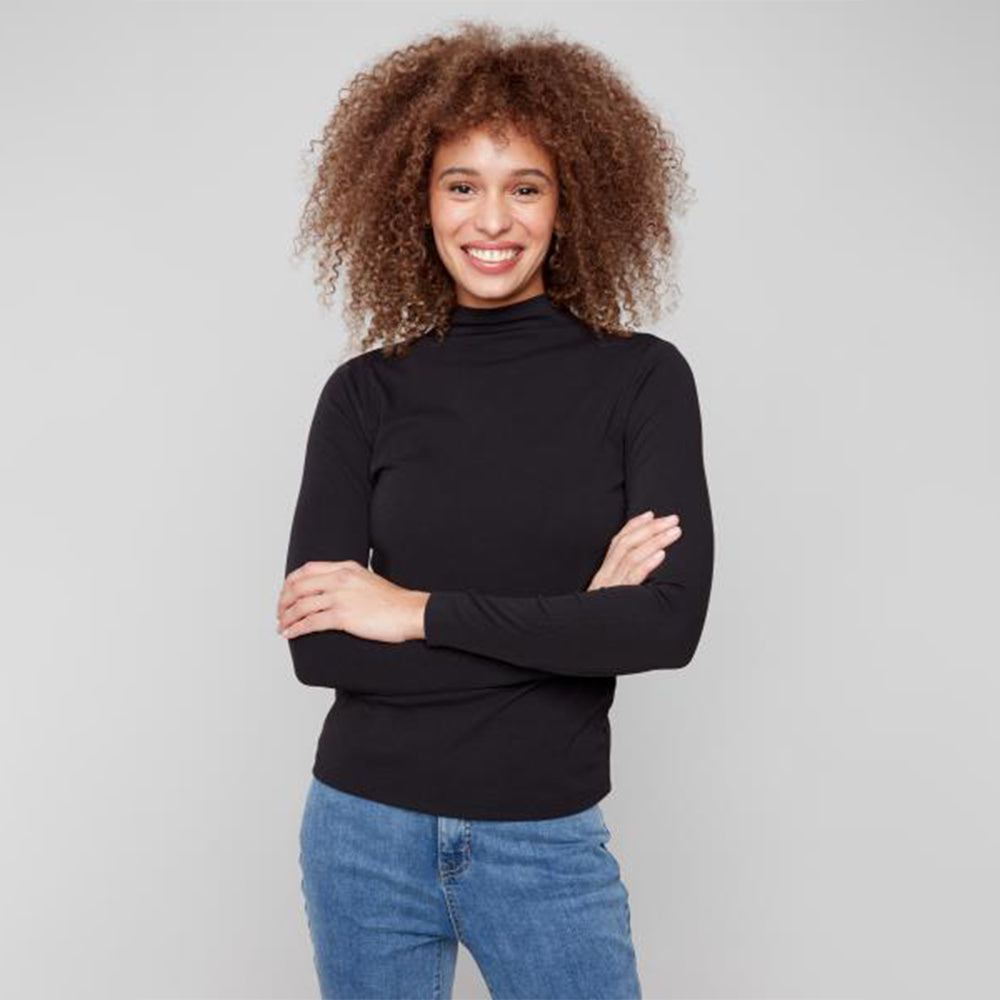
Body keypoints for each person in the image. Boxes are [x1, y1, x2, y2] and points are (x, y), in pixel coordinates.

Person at [276, 21, 713, 1000]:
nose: (493, 218)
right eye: (460, 185)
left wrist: (410, 608)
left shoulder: (641, 380)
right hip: (361, 831)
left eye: (526, 186)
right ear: (415, 204)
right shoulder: (363, 395)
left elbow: (665, 624)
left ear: (570, 206)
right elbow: (322, 650)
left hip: (543, 837)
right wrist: (575, 622)